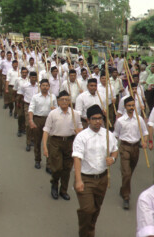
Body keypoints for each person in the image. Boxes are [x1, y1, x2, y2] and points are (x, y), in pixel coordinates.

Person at [72, 104, 119, 237]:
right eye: (94, 118)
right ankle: (84, 232)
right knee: (87, 209)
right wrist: (78, 180)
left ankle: (90, 227)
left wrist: (113, 159)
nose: (98, 121)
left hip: (102, 178)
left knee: (96, 208)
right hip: (86, 179)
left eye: (100, 118)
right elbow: (77, 158)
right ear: (88, 120)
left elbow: (115, 149)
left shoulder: (108, 134)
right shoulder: (81, 137)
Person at [43, 91, 83, 200]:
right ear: (58, 101)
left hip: (70, 142)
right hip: (55, 142)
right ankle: (54, 184)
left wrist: (78, 131)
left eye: (67, 99)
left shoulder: (75, 114)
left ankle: (63, 190)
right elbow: (46, 130)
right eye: (62, 100)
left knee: (67, 168)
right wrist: (45, 147)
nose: (64, 102)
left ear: (70, 101)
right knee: (57, 167)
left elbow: (81, 129)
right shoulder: (53, 114)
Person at [114, 96, 148, 209]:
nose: (131, 107)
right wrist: (113, 150)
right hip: (124, 147)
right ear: (125, 107)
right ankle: (126, 197)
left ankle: (123, 189)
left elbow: (145, 132)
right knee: (126, 173)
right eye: (129, 105)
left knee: (130, 172)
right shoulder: (120, 121)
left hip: (135, 148)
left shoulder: (139, 119)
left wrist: (145, 142)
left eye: (133, 105)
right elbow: (115, 135)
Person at [28, 79, 57, 172]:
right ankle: (37, 160)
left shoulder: (53, 97)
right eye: (43, 85)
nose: (45, 87)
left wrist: (54, 108)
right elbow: (31, 109)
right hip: (38, 119)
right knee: (37, 141)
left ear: (49, 87)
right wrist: (31, 120)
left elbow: (57, 109)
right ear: (40, 86)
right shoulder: (35, 97)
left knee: (49, 143)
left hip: (49, 120)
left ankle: (49, 164)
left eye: (47, 85)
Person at [22, 72, 39, 151]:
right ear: (29, 78)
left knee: (35, 124)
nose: (33, 79)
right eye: (32, 77)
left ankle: (33, 139)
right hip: (28, 105)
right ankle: (28, 142)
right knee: (28, 124)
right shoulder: (25, 86)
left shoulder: (39, 86)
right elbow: (22, 94)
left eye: (35, 77)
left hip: (37, 106)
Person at [14, 67, 30, 137]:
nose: (24, 74)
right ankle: (19, 129)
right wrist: (16, 99)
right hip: (19, 98)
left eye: (25, 73)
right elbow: (15, 89)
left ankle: (24, 129)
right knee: (20, 115)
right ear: (20, 73)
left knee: (26, 115)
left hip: (27, 99)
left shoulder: (29, 80)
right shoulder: (17, 80)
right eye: (23, 73)